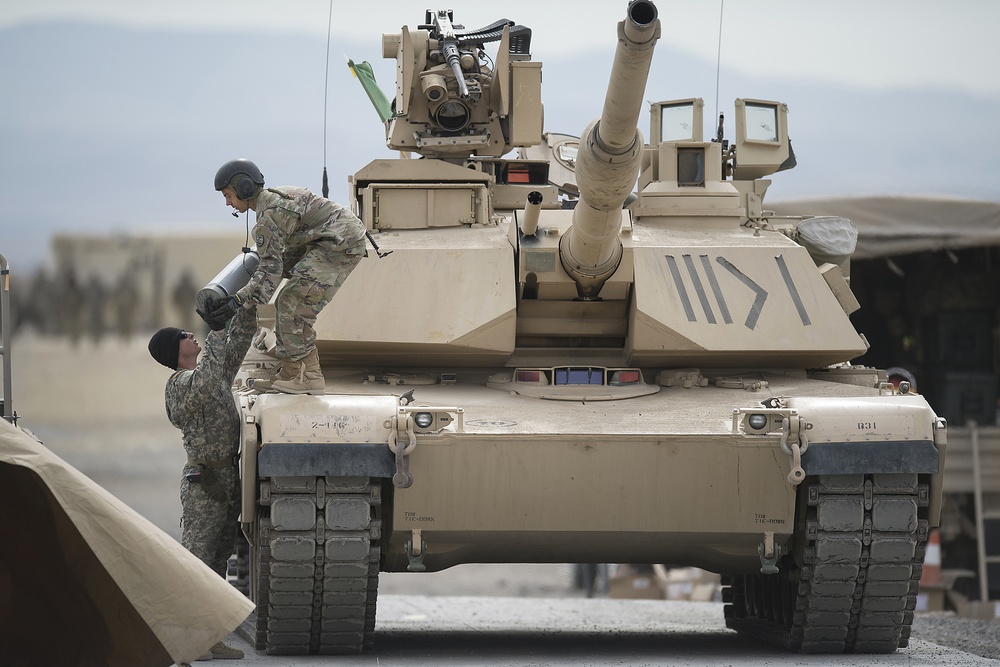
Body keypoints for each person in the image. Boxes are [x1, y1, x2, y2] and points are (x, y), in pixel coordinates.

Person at [147, 305, 258, 661]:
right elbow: (208, 375)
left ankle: (208, 638)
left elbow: (235, 346)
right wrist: (215, 333)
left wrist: (241, 312)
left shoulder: (211, 374)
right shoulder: (180, 386)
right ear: (173, 353)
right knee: (196, 562)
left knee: (216, 564)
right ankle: (179, 642)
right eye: (183, 336)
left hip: (226, 478)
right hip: (203, 484)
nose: (190, 335)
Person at [201, 158, 367, 394]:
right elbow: (269, 270)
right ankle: (291, 370)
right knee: (272, 293)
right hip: (322, 239)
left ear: (244, 188)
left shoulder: (270, 215)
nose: (227, 202)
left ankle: (307, 376)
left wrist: (236, 301)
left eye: (228, 195)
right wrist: (241, 298)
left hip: (340, 243)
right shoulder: (270, 204)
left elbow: (269, 270)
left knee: (292, 301)